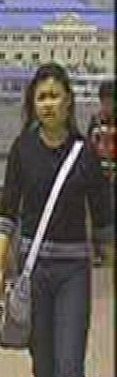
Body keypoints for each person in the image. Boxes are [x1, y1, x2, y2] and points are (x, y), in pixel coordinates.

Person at [0, 63, 114, 377]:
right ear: (32, 104)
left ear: (68, 102)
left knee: (68, 369)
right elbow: (7, 212)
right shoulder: (23, 150)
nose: (48, 104)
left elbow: (104, 222)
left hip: (73, 273)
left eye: (55, 96)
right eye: (41, 97)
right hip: (34, 272)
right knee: (42, 369)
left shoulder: (84, 154)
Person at [86, 78, 115, 267]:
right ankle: (99, 252)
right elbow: (89, 147)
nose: (108, 105)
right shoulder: (95, 121)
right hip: (98, 177)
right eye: (105, 101)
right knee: (98, 214)